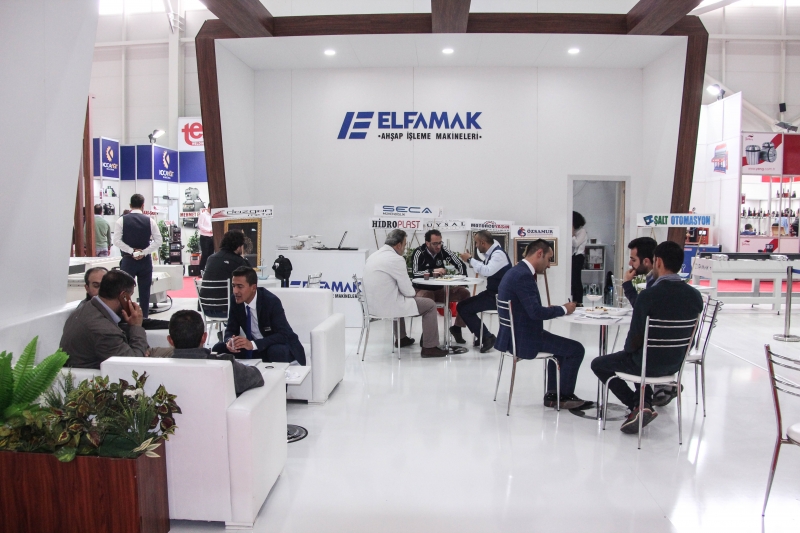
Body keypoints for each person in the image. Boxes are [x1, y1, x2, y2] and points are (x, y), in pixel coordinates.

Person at [591, 240, 704, 434]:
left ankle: (638, 406)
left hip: (647, 363)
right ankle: (642, 405)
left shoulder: (649, 296)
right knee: (639, 355)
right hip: (675, 365)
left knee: (600, 364)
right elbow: (691, 339)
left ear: (657, 261)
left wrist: (628, 352)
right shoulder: (695, 296)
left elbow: (634, 338)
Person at [495, 240, 588, 410]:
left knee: (561, 349)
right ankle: (564, 397)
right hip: (525, 339)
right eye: (549, 259)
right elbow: (535, 313)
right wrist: (563, 309)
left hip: (513, 335)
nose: (549, 265)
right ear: (539, 254)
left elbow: (528, 307)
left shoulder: (515, 272)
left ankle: (553, 394)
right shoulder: (523, 276)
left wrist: (552, 309)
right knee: (576, 349)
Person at [362, 229, 448, 357]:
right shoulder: (396, 259)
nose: (405, 247)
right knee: (430, 304)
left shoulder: (373, 256)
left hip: (371, 307)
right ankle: (429, 347)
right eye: (405, 244)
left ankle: (401, 338)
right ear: (398, 245)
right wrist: (412, 292)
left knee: (397, 296)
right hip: (387, 307)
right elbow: (408, 292)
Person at [212, 266, 307, 364]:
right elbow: (231, 329)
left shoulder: (271, 301)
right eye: (233, 286)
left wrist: (253, 344)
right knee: (218, 348)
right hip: (255, 348)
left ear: (253, 288)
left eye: (240, 286)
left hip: (275, 345)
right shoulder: (235, 300)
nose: (235, 291)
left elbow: (283, 335)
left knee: (276, 351)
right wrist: (230, 341)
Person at [61, 270, 148, 368]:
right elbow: (134, 364)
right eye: (130, 296)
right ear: (123, 296)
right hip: (99, 374)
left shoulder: (86, 309)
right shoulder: (104, 330)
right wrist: (136, 326)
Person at [167, 310, 264, 396]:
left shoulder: (160, 367)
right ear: (204, 337)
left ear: (170, 340)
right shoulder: (225, 365)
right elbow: (256, 377)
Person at [457, 230, 512, 353]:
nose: (476, 246)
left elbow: (487, 271)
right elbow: (484, 269)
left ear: (483, 242)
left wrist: (470, 259)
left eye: (476, 243)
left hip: (499, 297)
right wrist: (471, 260)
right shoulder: (493, 253)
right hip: (492, 293)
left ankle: (487, 337)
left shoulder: (498, 255)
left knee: (465, 308)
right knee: (462, 305)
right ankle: (481, 335)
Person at [412, 229, 470, 344]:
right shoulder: (419, 252)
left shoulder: (443, 250)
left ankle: (457, 328)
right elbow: (415, 273)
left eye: (440, 243)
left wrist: (462, 282)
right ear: (427, 243)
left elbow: (460, 264)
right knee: (428, 297)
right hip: (423, 289)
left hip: (440, 290)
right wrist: (433, 271)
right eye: (435, 243)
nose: (438, 246)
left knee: (465, 293)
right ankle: (427, 334)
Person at [113, 194, 162, 319]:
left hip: (128, 260)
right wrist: (143, 252)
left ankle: (124, 317)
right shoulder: (150, 221)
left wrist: (131, 251)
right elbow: (158, 241)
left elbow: (116, 241)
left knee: (123, 292)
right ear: (143, 205)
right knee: (145, 292)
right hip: (145, 261)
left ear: (130, 205)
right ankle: (143, 318)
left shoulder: (121, 220)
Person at [200, 231, 250, 318]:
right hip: (227, 309)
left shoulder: (210, 258)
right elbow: (250, 278)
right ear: (238, 246)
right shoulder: (238, 262)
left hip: (206, 308)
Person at [621, 237, 657, 308]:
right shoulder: (652, 277)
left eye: (633, 260)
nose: (630, 263)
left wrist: (627, 284)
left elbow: (641, 308)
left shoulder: (655, 281)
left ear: (646, 261)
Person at [571, 211, 587, 305]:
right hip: (573, 256)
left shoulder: (582, 231)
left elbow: (576, 244)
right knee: (573, 280)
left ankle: (579, 301)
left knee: (576, 279)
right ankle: (574, 300)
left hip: (578, 256)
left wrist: (572, 234)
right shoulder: (576, 231)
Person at [197, 207, 214, 272]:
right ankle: (201, 269)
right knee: (205, 254)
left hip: (212, 237)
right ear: (209, 208)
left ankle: (209, 269)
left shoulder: (213, 215)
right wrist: (209, 230)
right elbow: (200, 226)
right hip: (204, 237)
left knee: (211, 254)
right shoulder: (203, 215)